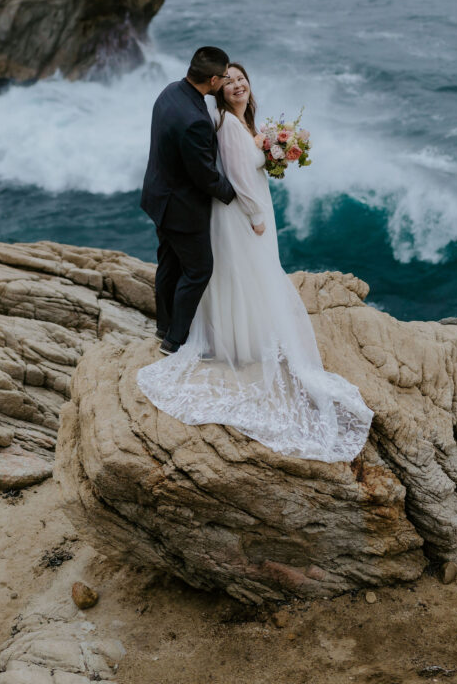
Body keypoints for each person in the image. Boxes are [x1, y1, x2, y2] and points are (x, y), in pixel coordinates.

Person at [137, 63, 373, 463]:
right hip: (242, 213)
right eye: (228, 81)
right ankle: (231, 340)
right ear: (218, 90)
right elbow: (238, 178)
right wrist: (256, 214)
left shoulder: (246, 122)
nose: (237, 85)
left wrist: (272, 151)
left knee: (248, 272)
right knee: (242, 272)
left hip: (247, 207)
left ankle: (236, 333)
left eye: (241, 78)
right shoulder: (228, 126)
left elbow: (251, 165)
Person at [140, 46, 237, 355]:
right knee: (198, 271)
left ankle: (164, 325)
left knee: (168, 263)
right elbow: (204, 176)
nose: (225, 82)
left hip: (158, 197)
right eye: (224, 77)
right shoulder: (195, 119)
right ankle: (174, 341)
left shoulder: (171, 91)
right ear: (212, 80)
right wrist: (235, 194)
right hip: (181, 208)